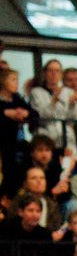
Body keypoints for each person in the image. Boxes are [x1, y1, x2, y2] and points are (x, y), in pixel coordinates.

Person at [27, 60, 77, 158]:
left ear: (61, 74)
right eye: (50, 70)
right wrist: (53, 101)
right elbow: (40, 117)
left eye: (57, 71)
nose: (54, 74)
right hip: (46, 140)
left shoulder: (68, 92)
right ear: (44, 73)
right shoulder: (36, 92)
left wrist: (72, 104)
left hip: (66, 140)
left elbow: (72, 120)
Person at [0, 62, 34, 193]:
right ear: (3, 81)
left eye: (17, 80)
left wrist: (26, 113)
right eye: (13, 80)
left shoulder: (16, 98)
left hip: (13, 143)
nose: (16, 83)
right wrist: (6, 113)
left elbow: (33, 113)